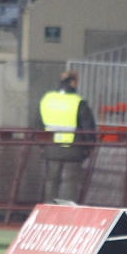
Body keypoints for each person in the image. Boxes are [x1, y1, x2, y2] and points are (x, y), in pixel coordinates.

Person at [39, 70, 96, 201]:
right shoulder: (78, 102)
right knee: (70, 182)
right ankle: (66, 213)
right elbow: (87, 127)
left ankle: (49, 211)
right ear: (73, 83)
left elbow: (38, 123)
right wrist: (90, 146)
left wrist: (42, 145)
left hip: (51, 149)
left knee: (51, 181)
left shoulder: (47, 99)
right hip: (73, 149)